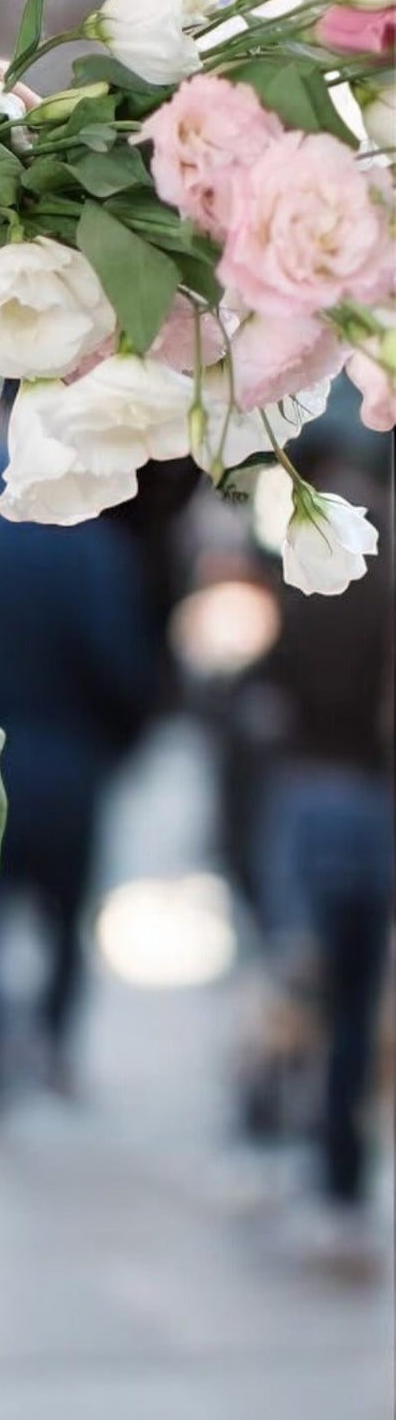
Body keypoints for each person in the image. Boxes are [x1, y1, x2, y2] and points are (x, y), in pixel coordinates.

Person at [0, 387, 165, 1114]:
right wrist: (117, 748)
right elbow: (121, 662)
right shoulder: (85, 530)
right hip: (65, 760)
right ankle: (52, 1043)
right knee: (65, 914)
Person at [249, 452, 393, 1277]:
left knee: (289, 983)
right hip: (371, 803)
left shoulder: (293, 560)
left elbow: (254, 690)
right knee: (354, 1005)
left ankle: (265, 1140)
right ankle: (338, 1186)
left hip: (304, 797)